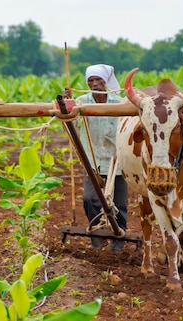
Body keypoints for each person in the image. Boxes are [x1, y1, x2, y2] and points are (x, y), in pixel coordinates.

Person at [64, 64, 128, 251]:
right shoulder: (81, 101)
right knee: (89, 199)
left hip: (117, 160)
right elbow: (71, 120)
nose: (94, 84)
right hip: (92, 160)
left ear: (106, 81)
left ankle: (119, 241)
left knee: (120, 203)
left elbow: (127, 125)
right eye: (90, 81)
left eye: (98, 80)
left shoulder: (120, 103)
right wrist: (67, 104)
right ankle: (97, 236)